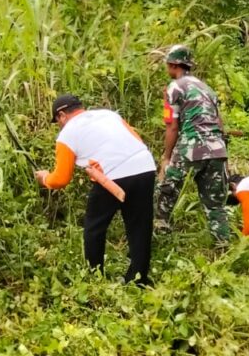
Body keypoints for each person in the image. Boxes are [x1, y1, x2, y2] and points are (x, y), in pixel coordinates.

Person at [34, 94, 157, 284]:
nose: (59, 125)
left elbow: (60, 179)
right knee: (139, 227)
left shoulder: (67, 134)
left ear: (61, 115)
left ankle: (95, 277)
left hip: (113, 177)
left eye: (57, 121)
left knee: (94, 227)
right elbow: (136, 140)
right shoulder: (109, 115)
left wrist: (44, 179)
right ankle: (139, 280)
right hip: (145, 167)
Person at [154, 44, 231, 246]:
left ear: (172, 65)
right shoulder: (208, 89)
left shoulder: (174, 88)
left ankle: (159, 235)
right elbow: (219, 124)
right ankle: (222, 245)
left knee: (167, 189)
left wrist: (167, 157)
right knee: (215, 205)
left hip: (192, 145)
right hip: (217, 148)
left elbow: (172, 127)